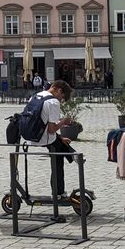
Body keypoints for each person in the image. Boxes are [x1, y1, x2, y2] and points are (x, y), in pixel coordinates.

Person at [26, 80, 77, 210]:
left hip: (31, 135)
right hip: (44, 138)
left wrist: (60, 137)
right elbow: (51, 129)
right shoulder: (53, 102)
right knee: (58, 161)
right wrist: (63, 122)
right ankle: (58, 192)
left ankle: (71, 154)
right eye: (63, 97)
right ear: (59, 91)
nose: (62, 100)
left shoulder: (37, 96)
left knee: (60, 143)